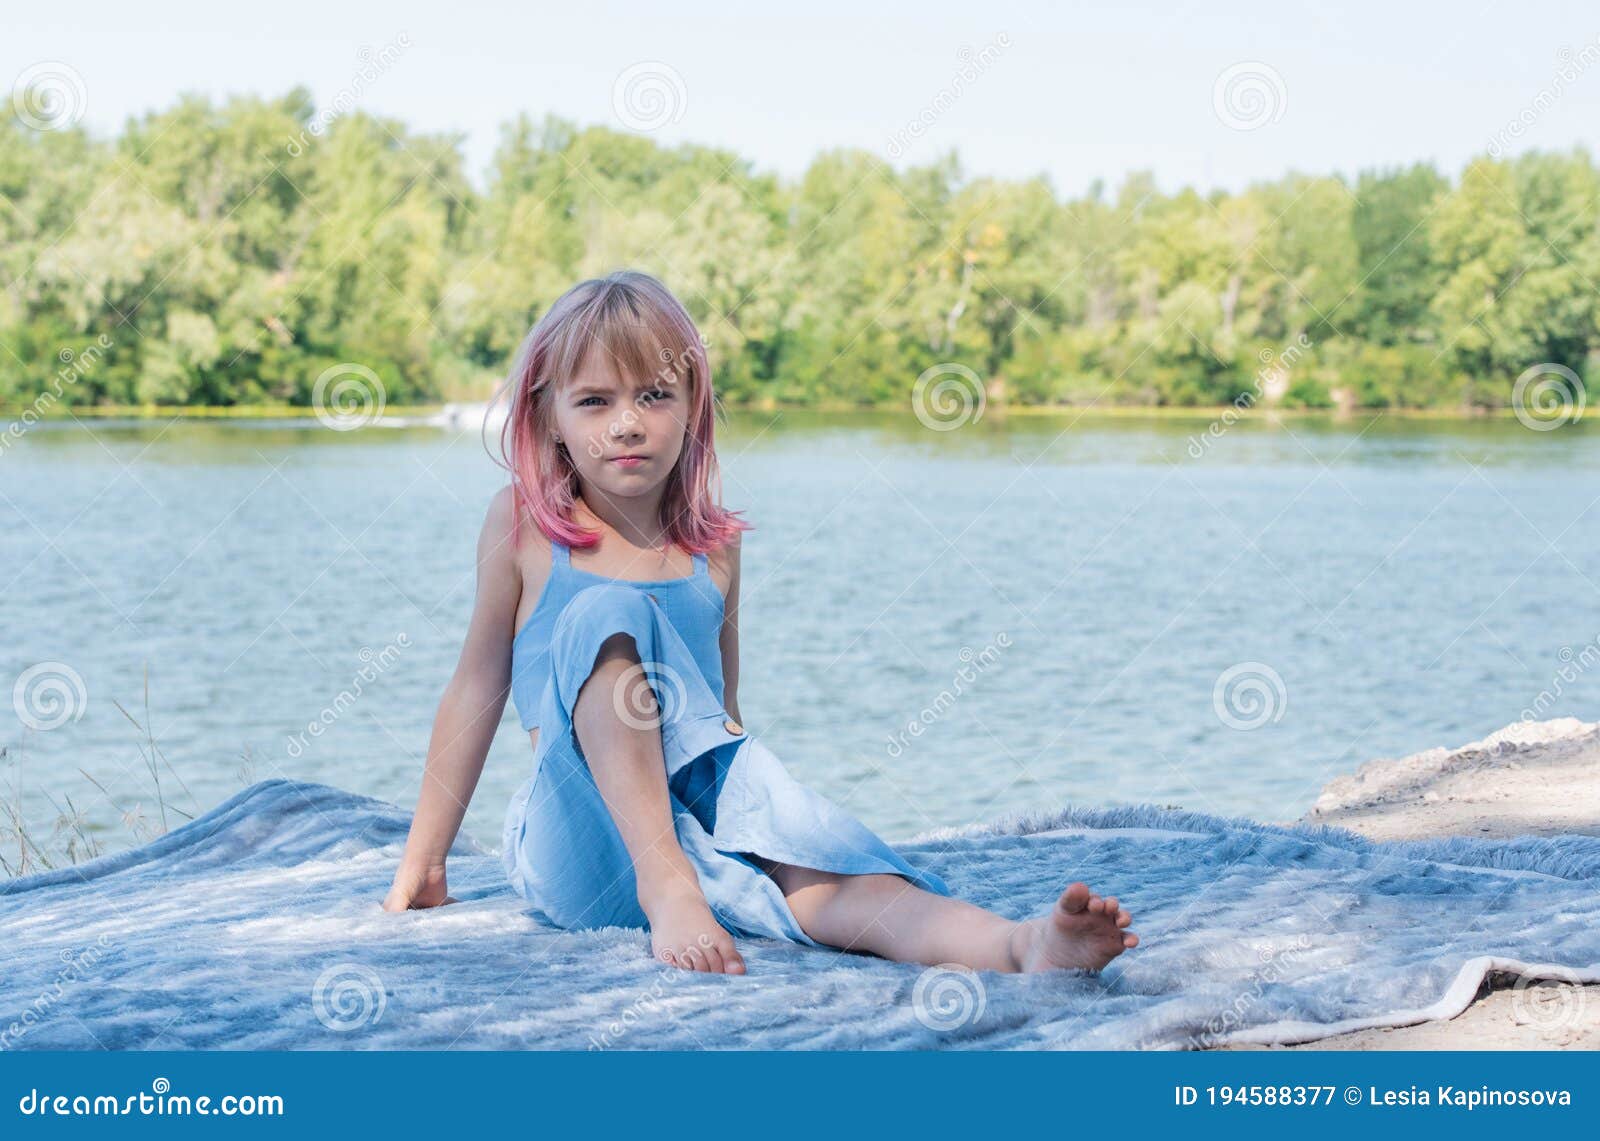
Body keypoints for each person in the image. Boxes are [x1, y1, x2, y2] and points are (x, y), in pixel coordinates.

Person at [382, 270, 1138, 976]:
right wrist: (426, 859)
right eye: (594, 401)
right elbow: (475, 686)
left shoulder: (713, 545)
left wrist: (780, 839)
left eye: (654, 396)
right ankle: (667, 886)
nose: (626, 424)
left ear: (693, 408)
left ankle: (1022, 943)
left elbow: (720, 725)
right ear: (549, 416)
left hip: (695, 828)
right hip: (581, 845)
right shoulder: (522, 526)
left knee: (822, 871)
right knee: (607, 610)